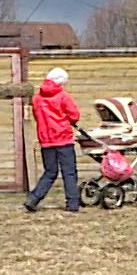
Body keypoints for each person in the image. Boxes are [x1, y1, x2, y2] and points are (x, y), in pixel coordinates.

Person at [24, 67, 83, 213]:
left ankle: (33, 198)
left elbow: (38, 117)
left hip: (46, 140)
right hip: (63, 139)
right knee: (69, 172)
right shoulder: (63, 96)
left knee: (50, 172)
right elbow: (74, 115)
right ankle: (72, 203)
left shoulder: (37, 98)